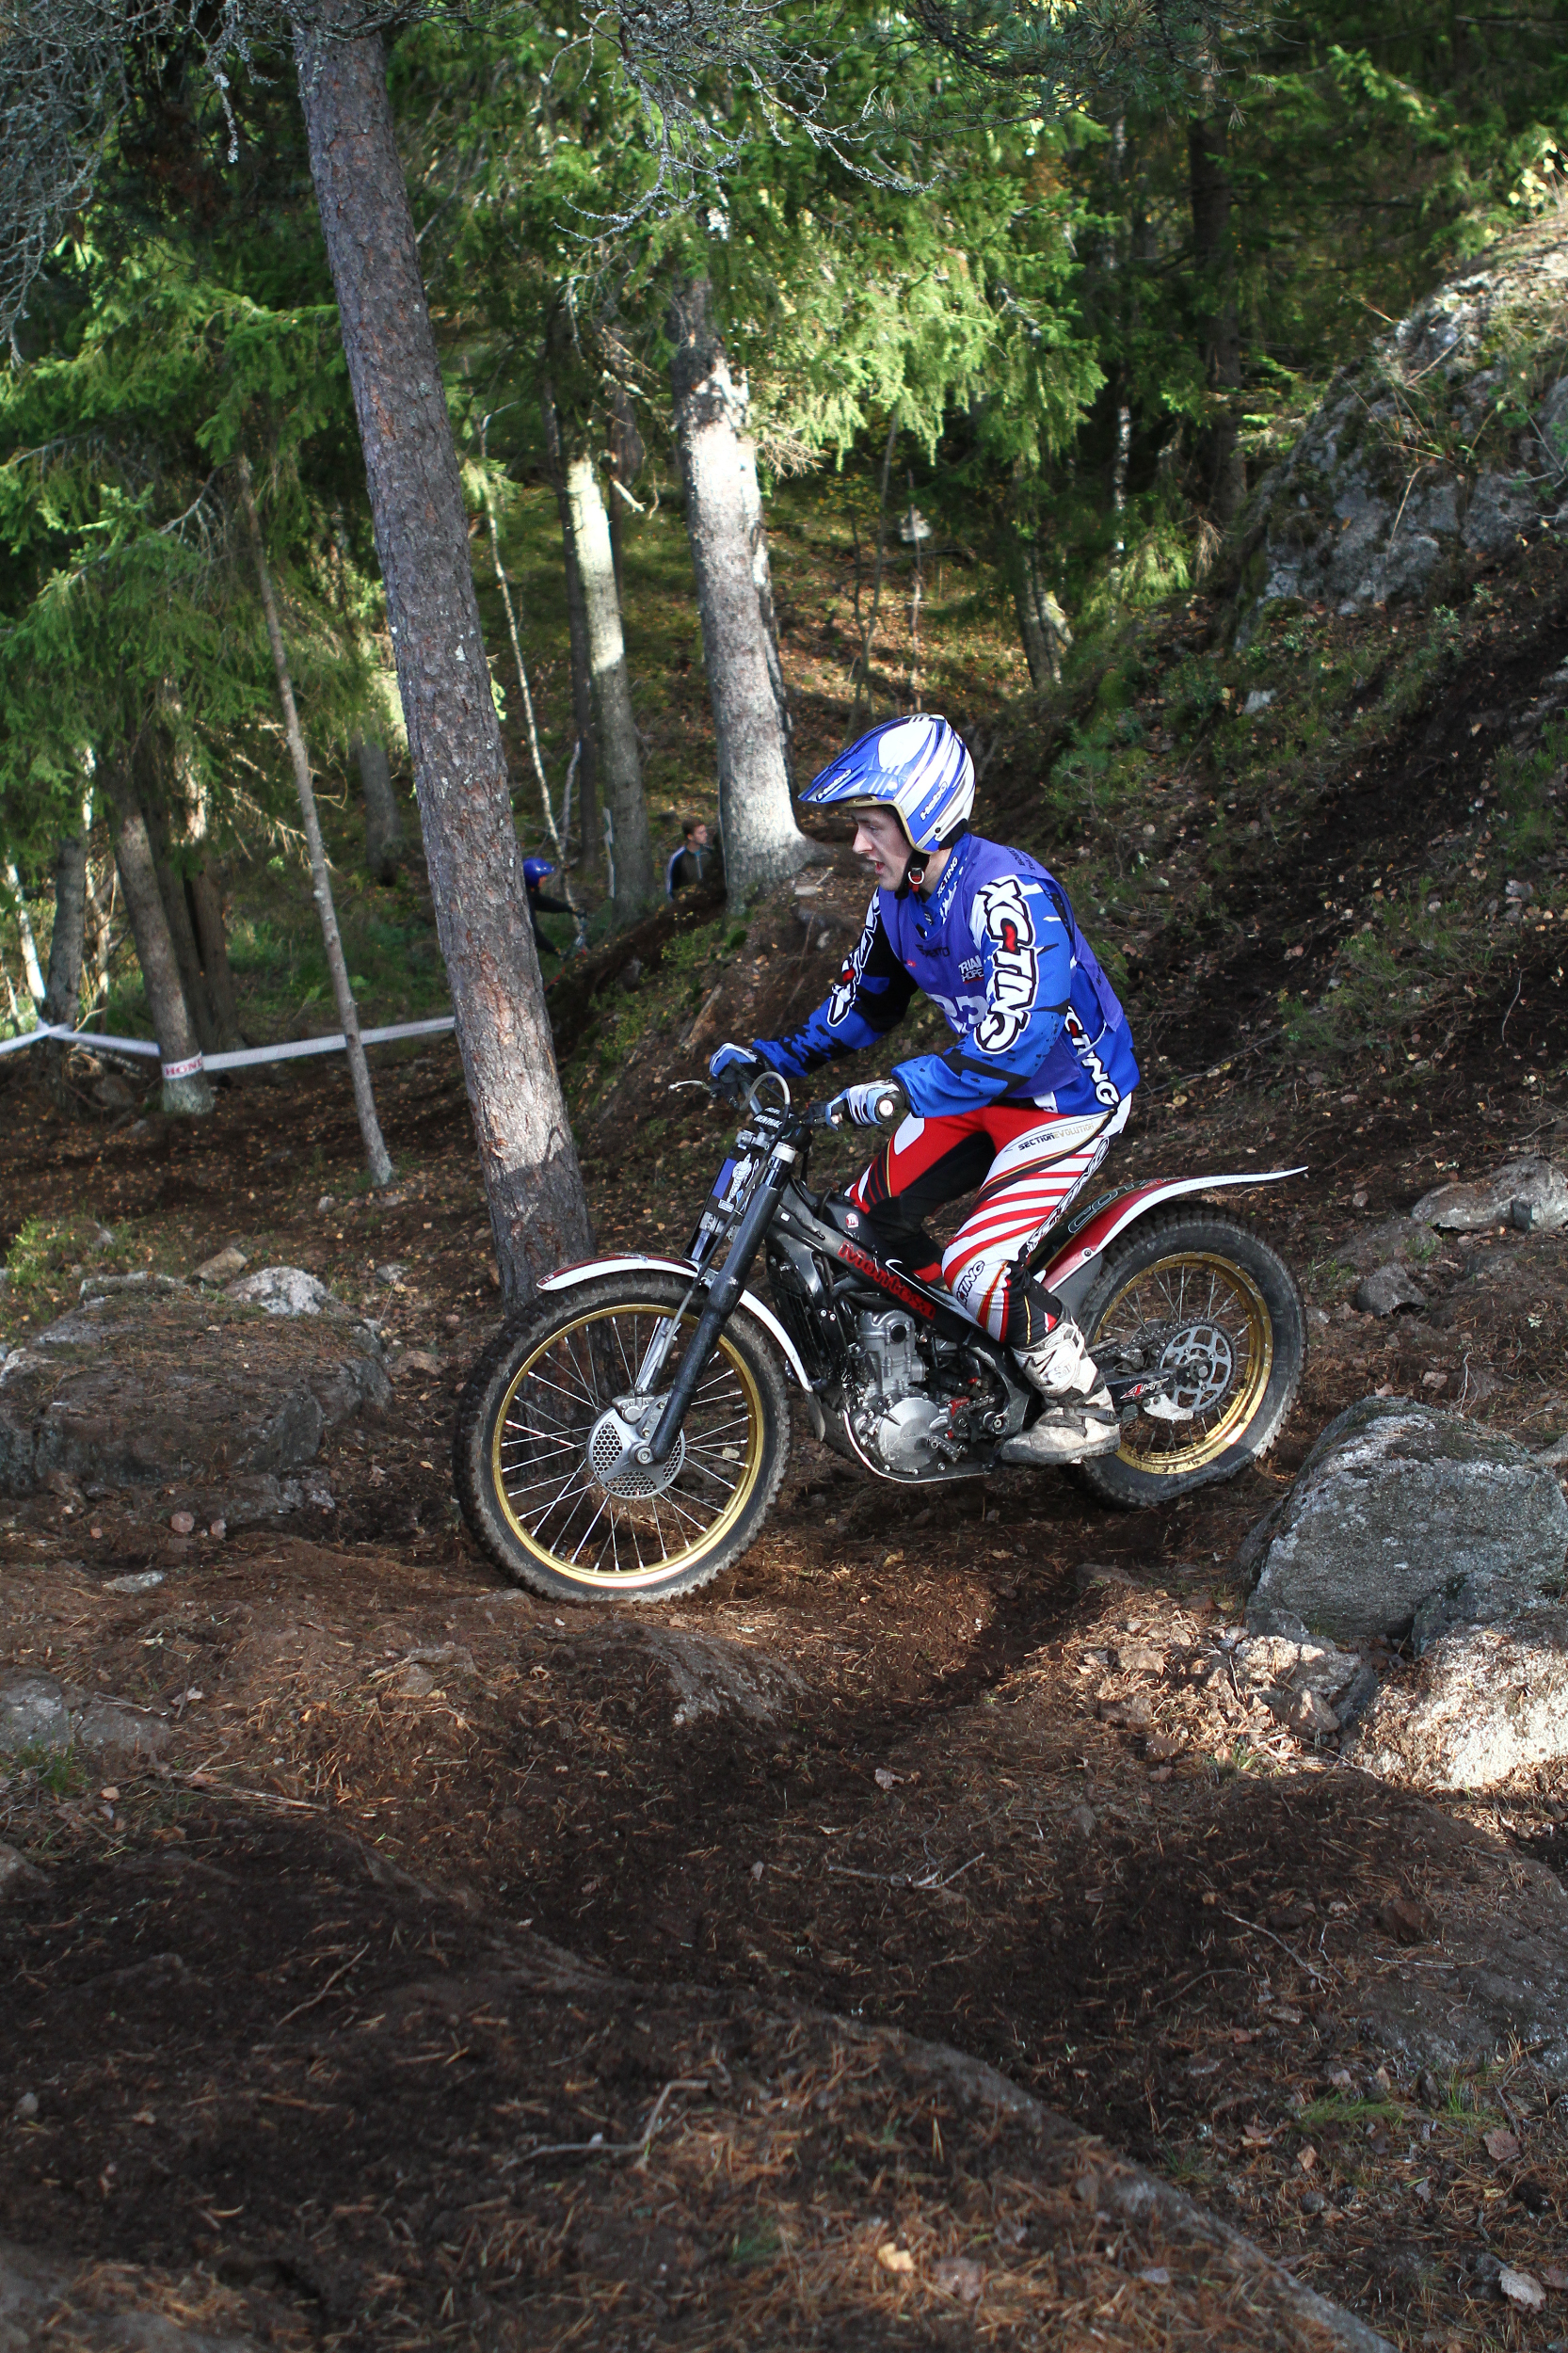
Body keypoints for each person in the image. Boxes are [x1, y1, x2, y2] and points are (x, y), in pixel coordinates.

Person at [708, 713, 1139, 1465]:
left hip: (1067, 1100)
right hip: (976, 1093)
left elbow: (1022, 1033)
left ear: (926, 820)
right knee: (857, 1228)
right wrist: (773, 1059)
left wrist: (905, 1086)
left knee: (978, 1267)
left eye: (873, 827)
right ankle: (966, 1358)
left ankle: (1085, 1403)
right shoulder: (897, 903)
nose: (858, 845)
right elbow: (860, 1008)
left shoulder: (1007, 893)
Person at [523, 856, 574, 961]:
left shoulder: (530, 893)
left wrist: (570, 909)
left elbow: (545, 903)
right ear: (533, 877)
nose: (545, 879)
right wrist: (554, 950)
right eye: (542, 877)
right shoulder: (526, 899)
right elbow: (532, 932)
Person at [665, 818, 719, 900]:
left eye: (705, 831)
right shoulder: (677, 859)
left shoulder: (710, 853)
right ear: (690, 837)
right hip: (688, 904)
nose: (705, 835)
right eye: (701, 833)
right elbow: (671, 890)